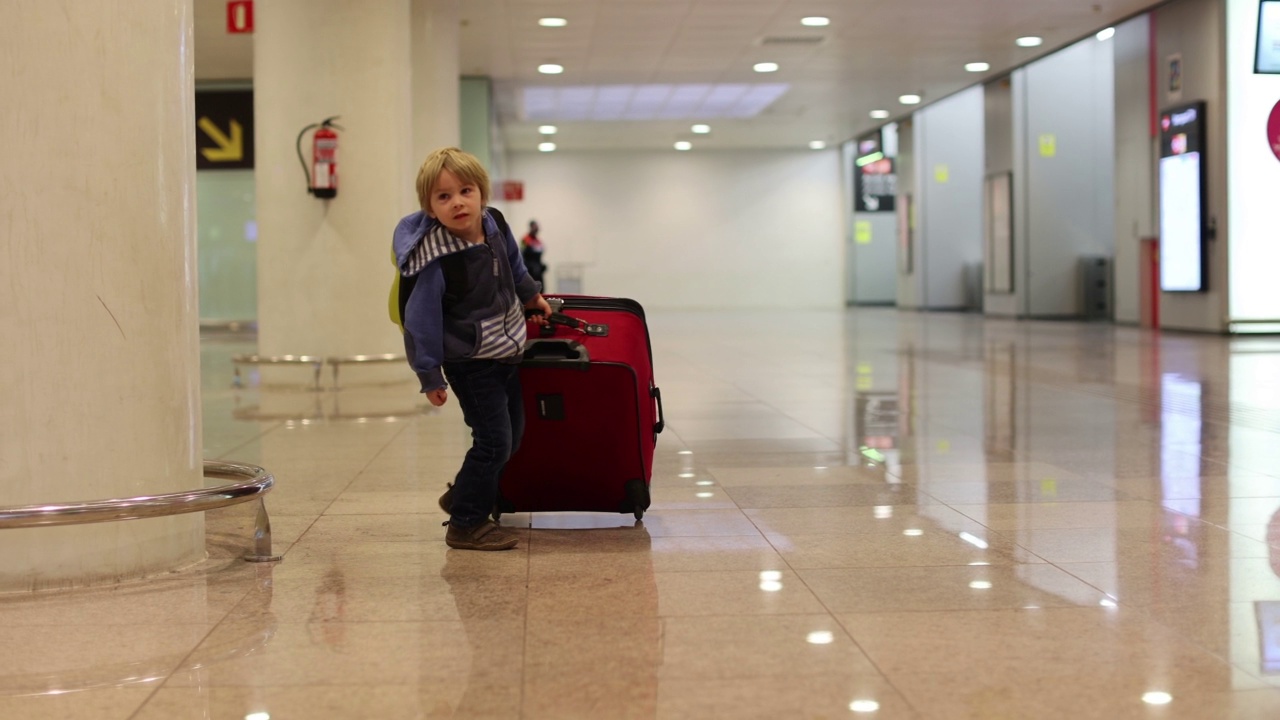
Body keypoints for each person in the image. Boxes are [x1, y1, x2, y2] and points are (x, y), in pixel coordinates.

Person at [392, 147, 552, 551]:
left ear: (482, 193)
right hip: (470, 362)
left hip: (507, 352)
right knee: (493, 441)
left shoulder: (494, 223)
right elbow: (421, 320)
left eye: (465, 190)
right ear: (429, 207)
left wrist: (531, 296)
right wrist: (429, 374)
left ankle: (463, 493)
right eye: (443, 197)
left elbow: (515, 265)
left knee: (512, 438)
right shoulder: (435, 257)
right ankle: (465, 522)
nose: (457, 202)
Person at [520, 220, 546, 287]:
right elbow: (522, 253)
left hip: (538, 270)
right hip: (529, 270)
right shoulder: (525, 239)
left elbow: (540, 254)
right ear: (531, 227)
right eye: (535, 227)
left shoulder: (538, 241)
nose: (536, 229)